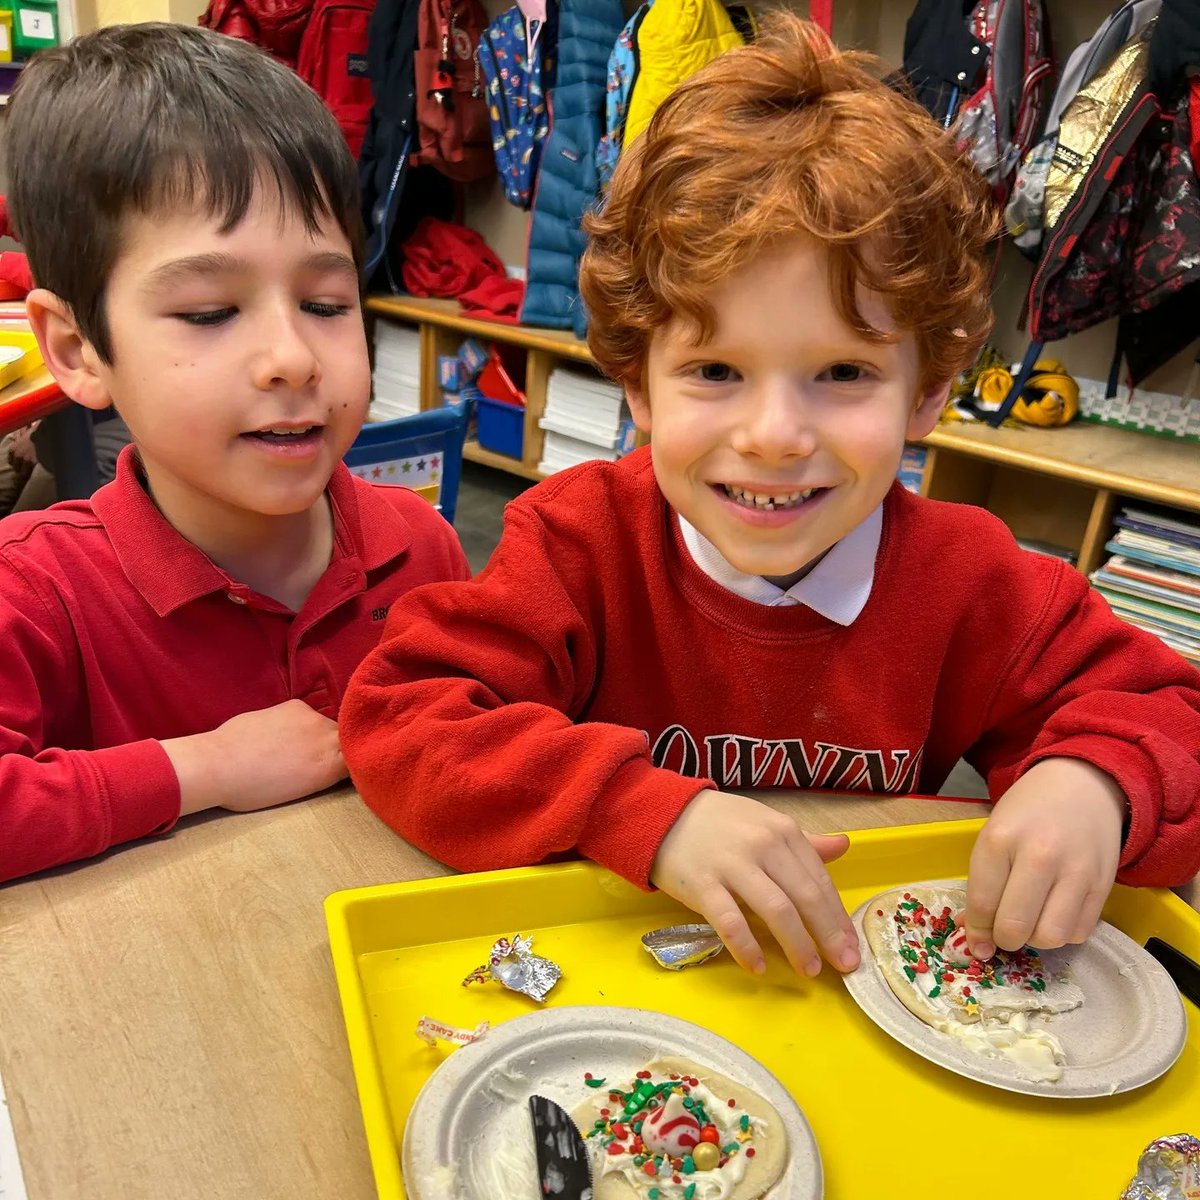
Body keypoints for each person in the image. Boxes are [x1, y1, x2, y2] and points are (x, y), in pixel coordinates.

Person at [340, 13, 1200, 976]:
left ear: (925, 393)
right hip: (617, 998)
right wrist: (645, 812)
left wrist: (1092, 782)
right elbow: (404, 716)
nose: (776, 436)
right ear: (639, 386)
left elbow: (1168, 710)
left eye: (841, 373)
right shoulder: (578, 542)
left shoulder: (974, 581)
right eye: (713, 371)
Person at [0, 23, 469, 883]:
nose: (293, 358)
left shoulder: (419, 544)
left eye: (327, 303)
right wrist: (201, 769)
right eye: (212, 312)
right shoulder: (33, 591)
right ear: (75, 350)